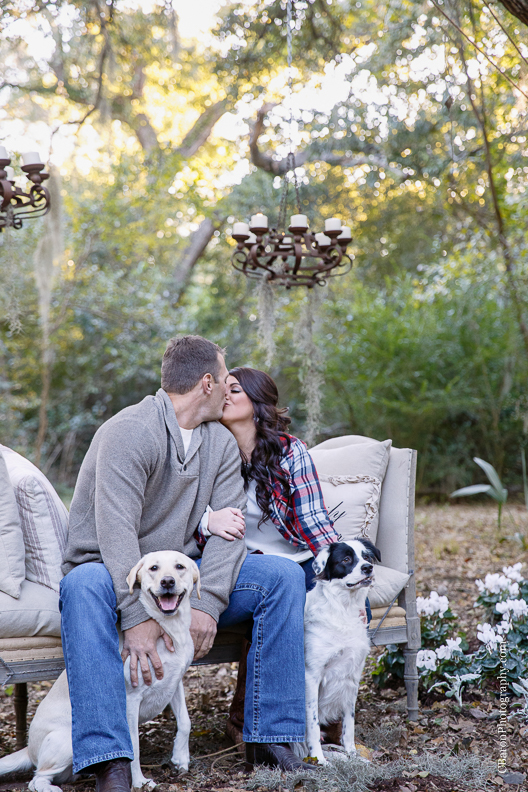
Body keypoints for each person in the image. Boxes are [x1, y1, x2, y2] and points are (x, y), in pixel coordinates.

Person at [60, 337, 320, 792]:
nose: (228, 389)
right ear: (206, 383)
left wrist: (207, 604)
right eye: (225, 380)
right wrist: (137, 614)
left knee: (280, 577)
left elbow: (230, 530)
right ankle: (111, 761)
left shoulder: (217, 442)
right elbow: (115, 532)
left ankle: (273, 741)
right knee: (81, 587)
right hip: (107, 570)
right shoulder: (129, 431)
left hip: (181, 575)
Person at [196, 367, 343, 746]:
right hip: (242, 564)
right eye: (222, 390)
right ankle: (248, 719)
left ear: (258, 402)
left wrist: (342, 579)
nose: (224, 396)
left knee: (345, 606)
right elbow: (188, 521)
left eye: (235, 389)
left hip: (298, 560)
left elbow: (314, 522)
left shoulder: (290, 451)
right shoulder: (208, 449)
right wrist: (208, 522)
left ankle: (325, 720)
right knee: (275, 598)